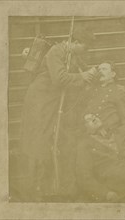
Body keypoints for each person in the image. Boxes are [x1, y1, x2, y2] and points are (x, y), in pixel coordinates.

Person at [19, 26, 96, 201]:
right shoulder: (56, 51)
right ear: (75, 42)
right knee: (37, 141)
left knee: (47, 140)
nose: (87, 51)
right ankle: (31, 190)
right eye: (85, 47)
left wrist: (91, 73)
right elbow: (59, 78)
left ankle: (46, 186)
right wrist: (82, 77)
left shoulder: (72, 54)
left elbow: (81, 71)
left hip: (50, 102)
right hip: (39, 99)